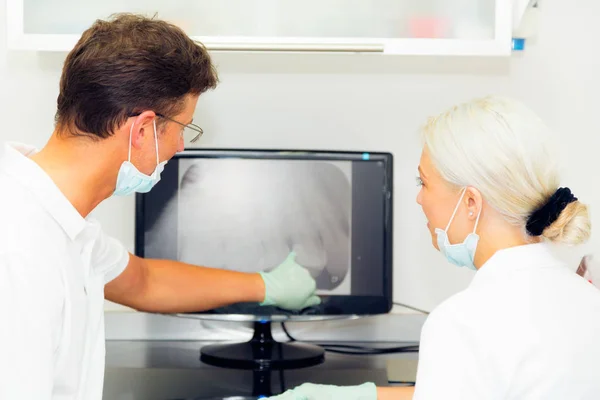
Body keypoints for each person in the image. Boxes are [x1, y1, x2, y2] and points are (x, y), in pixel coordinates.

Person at [0, 14, 319, 400]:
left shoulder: (62, 219)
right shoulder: (19, 249)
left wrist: (268, 285)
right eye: (184, 127)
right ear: (142, 130)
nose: (181, 147)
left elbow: (143, 282)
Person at [267, 96, 600, 400]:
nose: (419, 198)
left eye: (423, 182)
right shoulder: (587, 298)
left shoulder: (462, 322)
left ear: (471, 202)